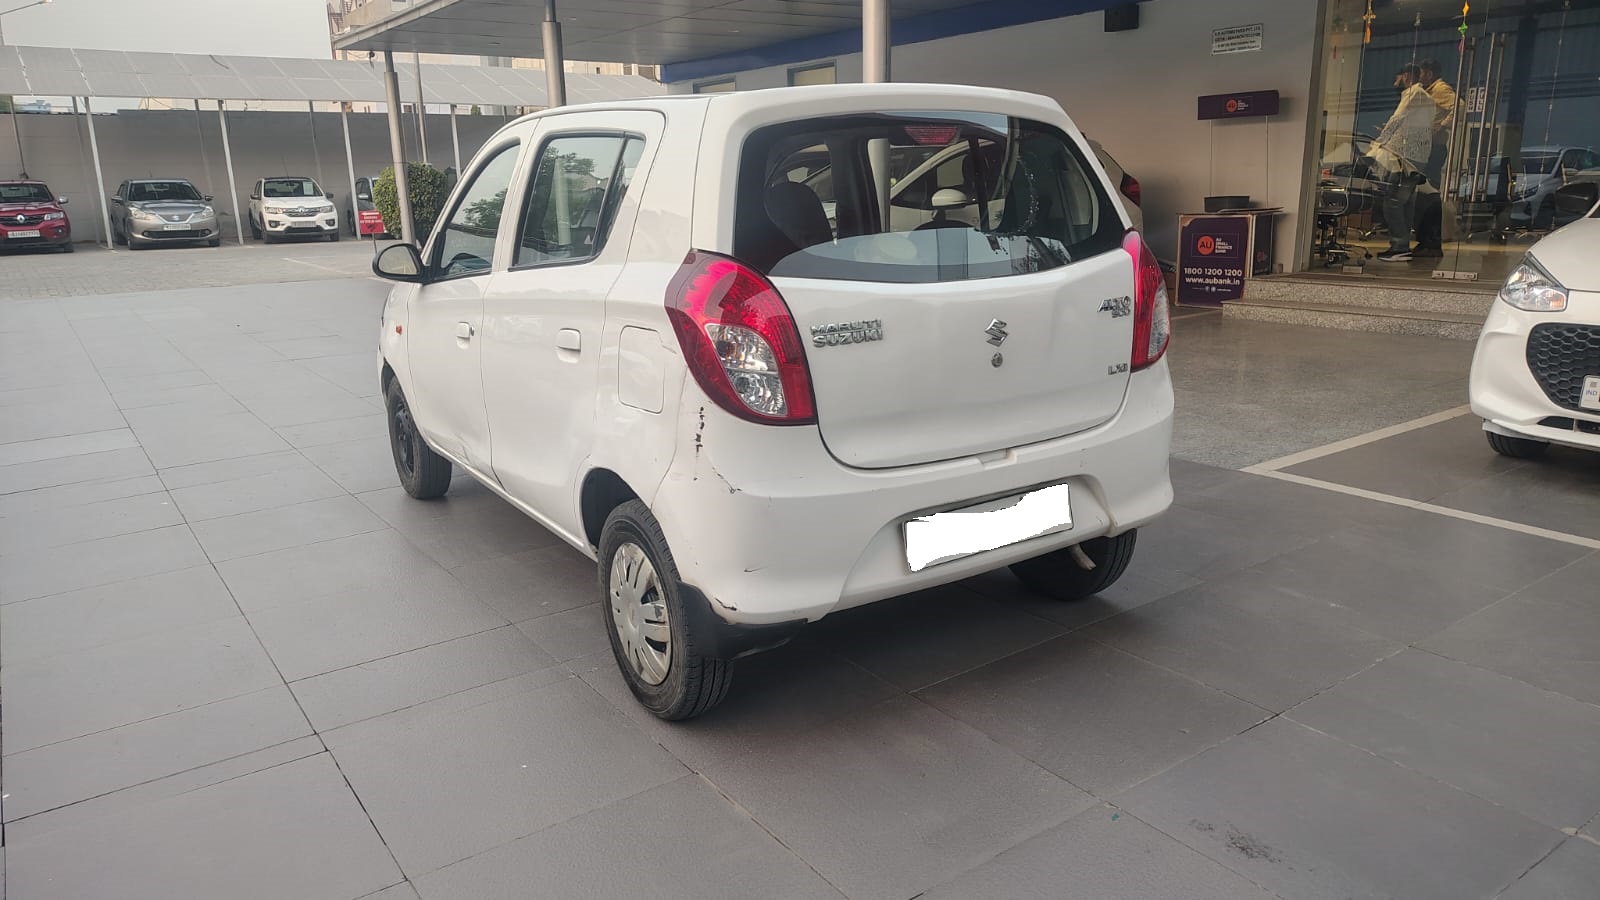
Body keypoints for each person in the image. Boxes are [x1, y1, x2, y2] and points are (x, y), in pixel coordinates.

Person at [1368, 64, 1436, 262]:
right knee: (1406, 202)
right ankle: (1402, 245)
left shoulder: (1413, 93)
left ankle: (1399, 246)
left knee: (1393, 202)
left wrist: (1379, 141)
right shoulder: (1427, 98)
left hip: (1403, 158)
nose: (1395, 83)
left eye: (1397, 78)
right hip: (1419, 157)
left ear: (1406, 76)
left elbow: (1397, 118)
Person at [1414, 58, 1458, 257]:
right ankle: (1426, 239)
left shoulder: (1440, 89)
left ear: (1429, 73)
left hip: (1434, 148)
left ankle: (1432, 241)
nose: (1419, 77)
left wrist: (1442, 125)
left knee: (1429, 195)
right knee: (1424, 195)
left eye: (1421, 73)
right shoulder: (1428, 91)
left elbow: (1460, 106)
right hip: (1426, 148)